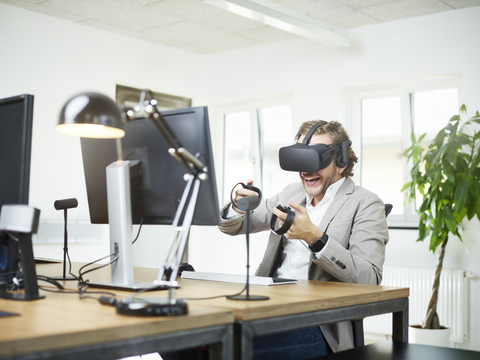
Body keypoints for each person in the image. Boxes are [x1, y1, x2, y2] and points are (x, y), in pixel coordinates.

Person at [219, 120, 389, 359]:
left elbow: (370, 279)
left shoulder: (365, 203)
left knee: (230, 350)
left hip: (319, 325)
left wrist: (315, 238)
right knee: (188, 341)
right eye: (300, 159)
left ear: (341, 161)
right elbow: (234, 227)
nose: (306, 170)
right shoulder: (291, 193)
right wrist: (238, 207)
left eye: (315, 159)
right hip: (267, 309)